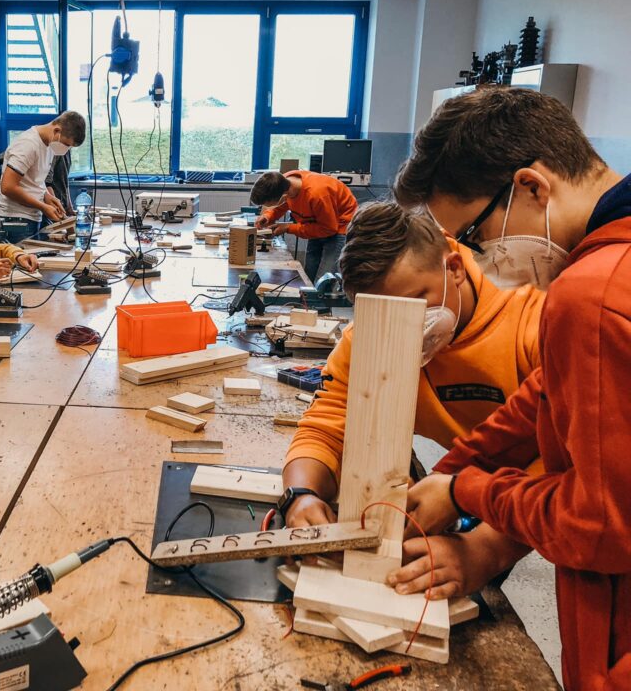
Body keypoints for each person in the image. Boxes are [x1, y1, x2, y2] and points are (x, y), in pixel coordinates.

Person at [394, 87, 630, 690]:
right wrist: (450, 473)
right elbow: (545, 398)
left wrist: (468, 491)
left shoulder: (592, 294)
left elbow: (599, 525)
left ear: (531, 186)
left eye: (474, 234)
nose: (478, 258)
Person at [280, 201, 544, 601]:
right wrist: (301, 496)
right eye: (381, 310)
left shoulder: (533, 321)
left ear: (454, 268)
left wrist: (486, 551)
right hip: (464, 479)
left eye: (418, 301)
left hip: (535, 487)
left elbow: (569, 466)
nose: (405, 327)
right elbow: (327, 426)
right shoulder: (368, 337)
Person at [250, 169, 358, 283]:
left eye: (268, 205)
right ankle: (309, 294)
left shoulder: (317, 195)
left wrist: (288, 228)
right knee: (309, 275)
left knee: (324, 279)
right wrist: (268, 216)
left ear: (284, 196)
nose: (267, 207)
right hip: (317, 221)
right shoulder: (282, 183)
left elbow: (328, 229)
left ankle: (321, 294)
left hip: (339, 226)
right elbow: (281, 206)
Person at [0, 111, 87, 243]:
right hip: (15, 220)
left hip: (31, 218)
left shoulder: (48, 146)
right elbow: (8, 187)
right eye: (66, 144)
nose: (66, 149)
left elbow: (34, 181)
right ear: (57, 130)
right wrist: (43, 206)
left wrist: (47, 196)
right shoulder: (28, 144)